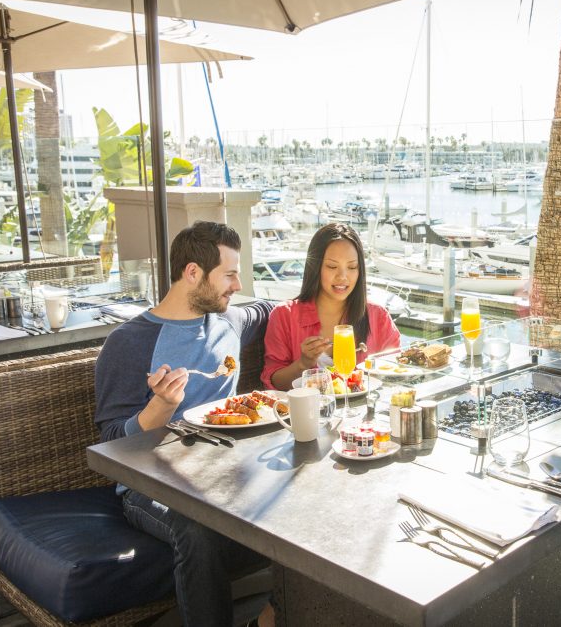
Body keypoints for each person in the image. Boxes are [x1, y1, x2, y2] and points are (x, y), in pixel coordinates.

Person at [95, 221, 276, 627]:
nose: (238, 283)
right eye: (229, 274)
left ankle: (275, 614)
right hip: (148, 485)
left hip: (221, 472)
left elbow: (272, 309)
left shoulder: (229, 322)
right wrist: (161, 405)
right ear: (193, 273)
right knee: (199, 527)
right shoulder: (129, 342)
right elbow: (109, 443)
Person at [261, 222, 400, 391]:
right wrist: (303, 364)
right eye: (332, 266)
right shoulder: (284, 315)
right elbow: (274, 382)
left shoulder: (377, 316)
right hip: (309, 415)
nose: (343, 276)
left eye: (352, 267)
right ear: (315, 267)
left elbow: (396, 373)